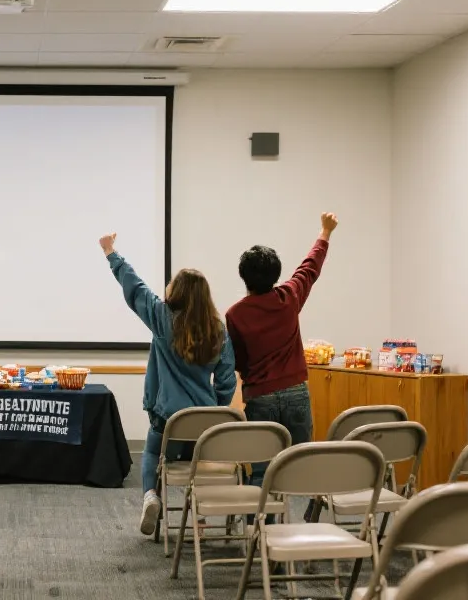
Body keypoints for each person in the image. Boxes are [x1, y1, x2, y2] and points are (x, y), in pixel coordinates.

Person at [100, 232, 237, 536]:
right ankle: (199, 517)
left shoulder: (163, 319)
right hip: (204, 420)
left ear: (179, 292)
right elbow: (227, 379)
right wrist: (215, 409)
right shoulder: (218, 331)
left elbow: (136, 289)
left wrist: (111, 253)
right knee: (197, 462)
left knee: (151, 452)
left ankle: (151, 496)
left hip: (168, 418)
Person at [225, 212, 338, 519]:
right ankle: (312, 518)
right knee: (303, 463)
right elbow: (310, 267)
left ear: (243, 277)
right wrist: (324, 232)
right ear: (276, 275)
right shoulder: (288, 297)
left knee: (262, 471)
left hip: (260, 398)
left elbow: (238, 360)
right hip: (296, 392)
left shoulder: (235, 314)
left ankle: (262, 533)